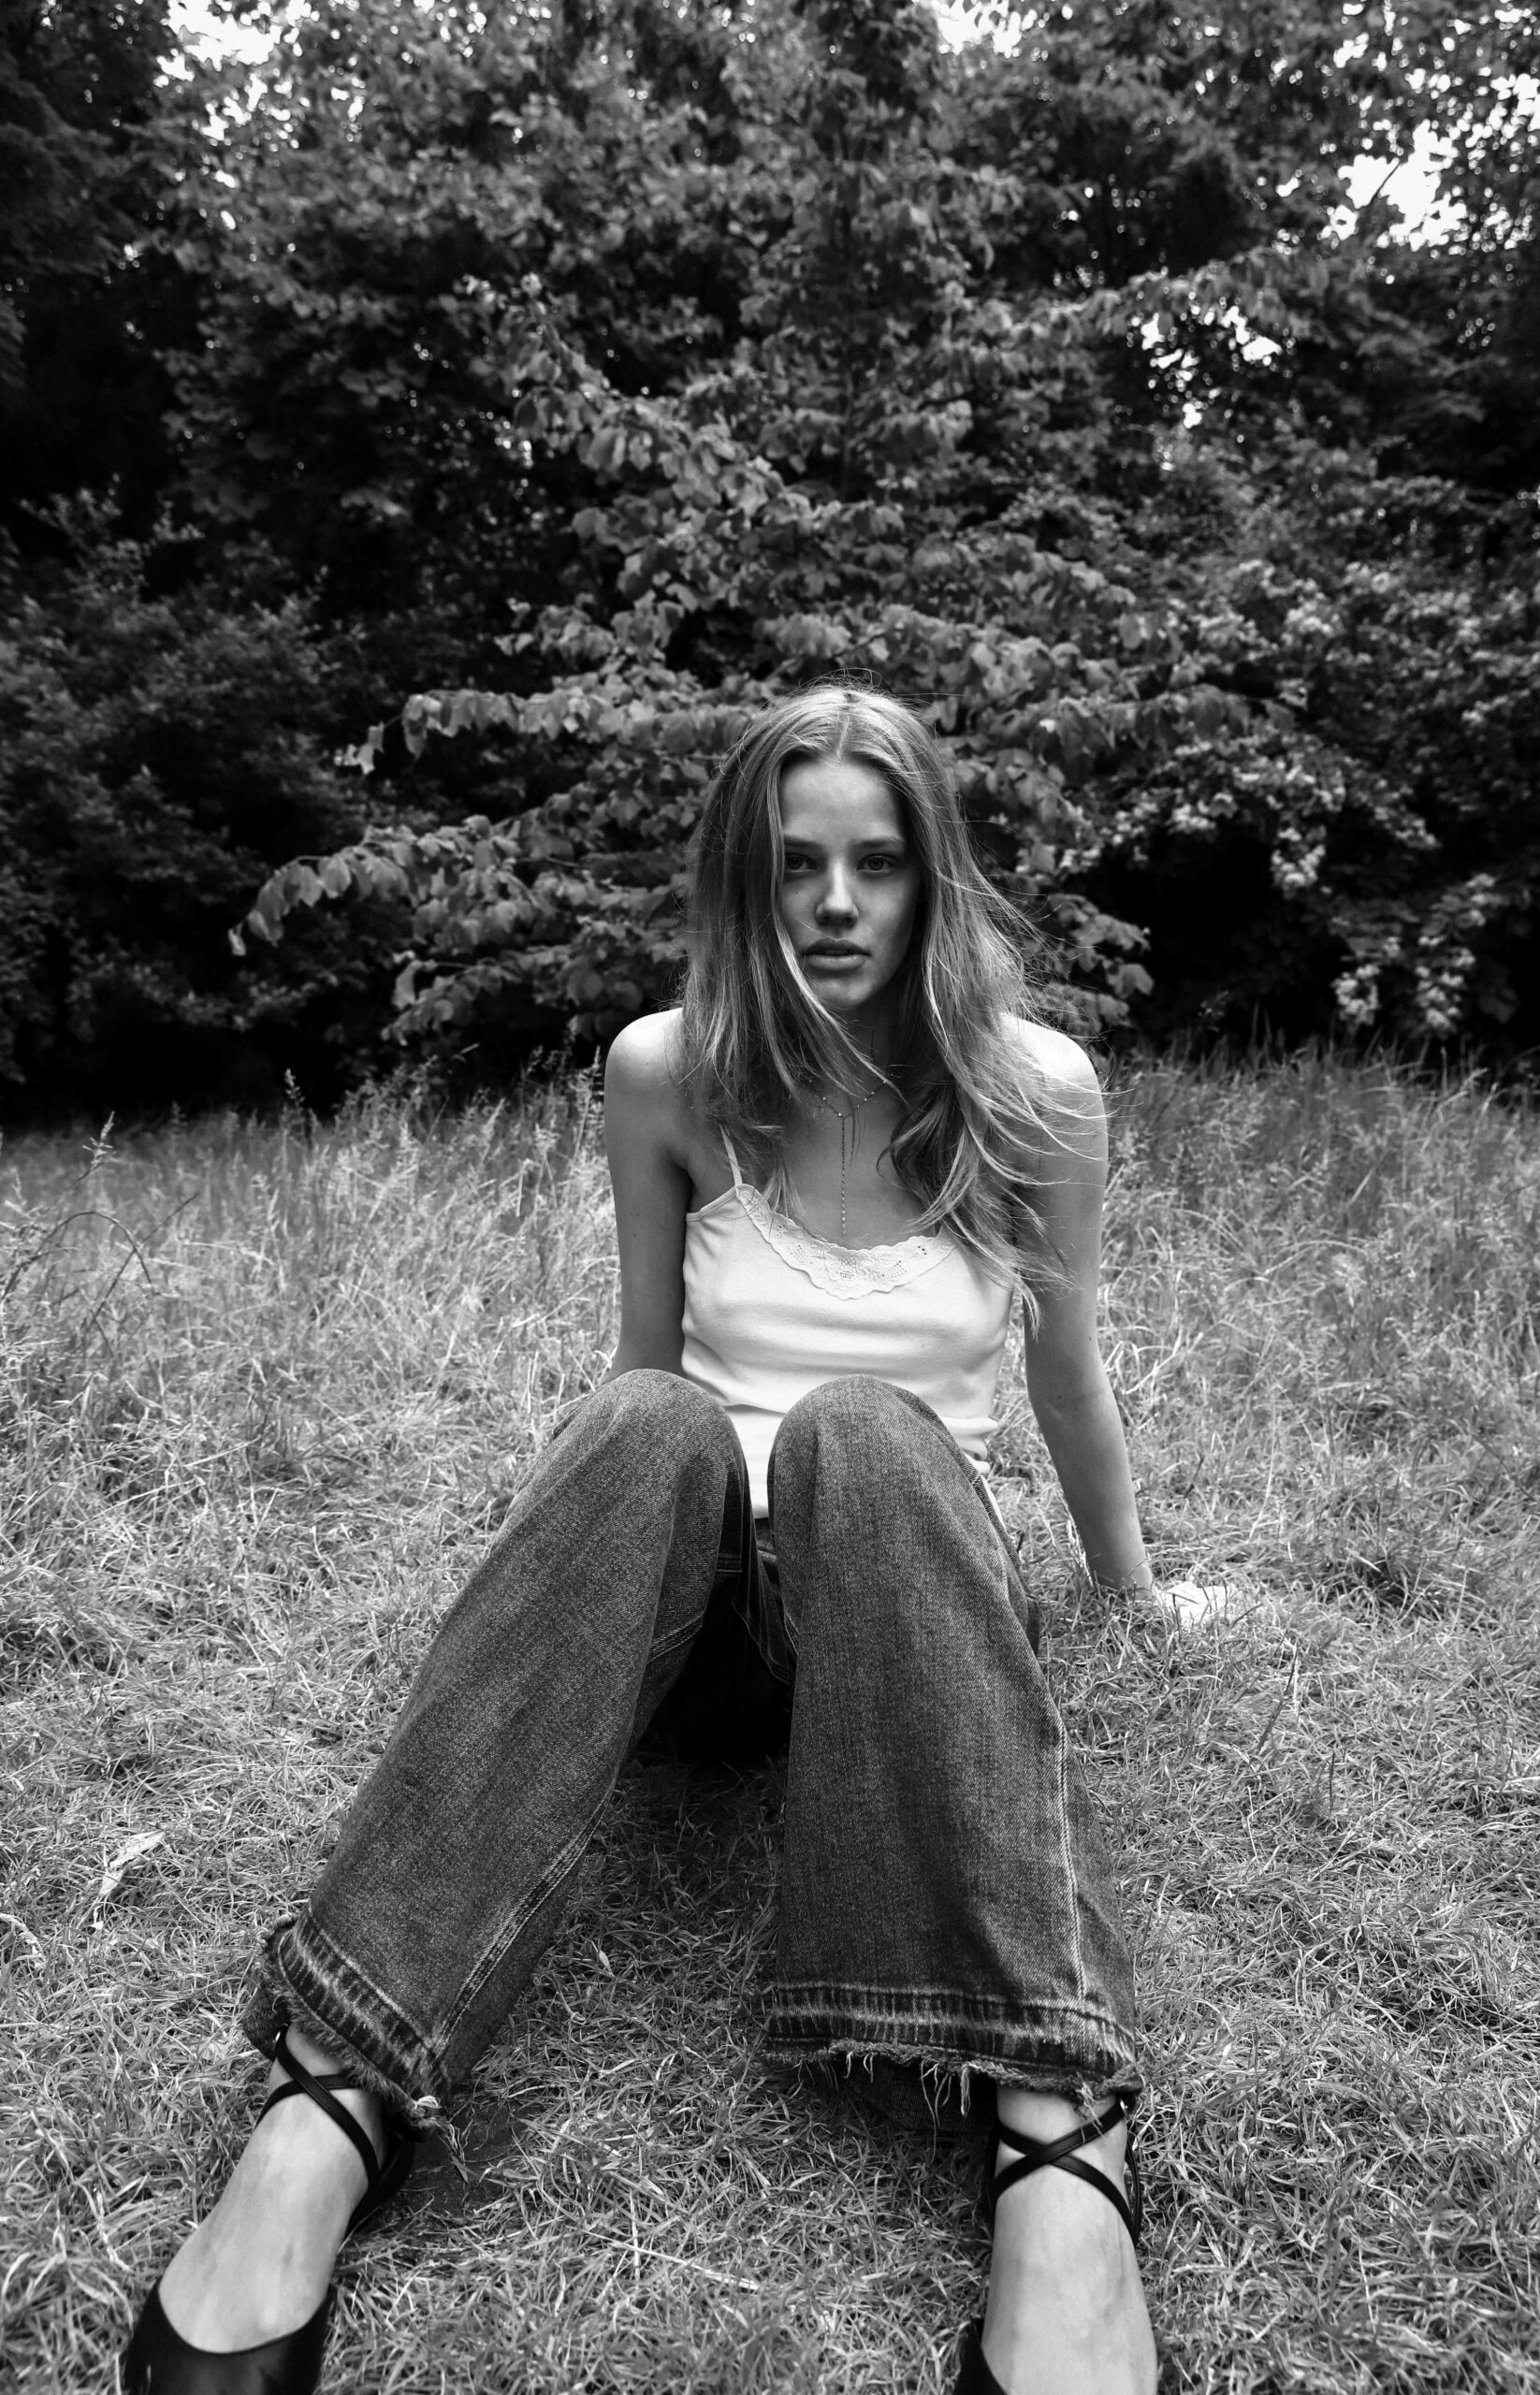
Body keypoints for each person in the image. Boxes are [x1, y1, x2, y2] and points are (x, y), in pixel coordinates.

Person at [123, 686, 1160, 2395]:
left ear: (935, 875)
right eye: (796, 864)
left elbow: (1069, 1380)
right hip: (709, 1636)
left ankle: (1059, 2137)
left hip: (906, 1602)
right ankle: (331, 2094)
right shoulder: (665, 1072)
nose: (836, 904)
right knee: (648, 1424)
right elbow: (641, 1372)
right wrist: (574, 1577)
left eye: (879, 864)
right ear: (743, 879)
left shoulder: (1036, 1093)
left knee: (863, 1429)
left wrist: (1134, 1598)